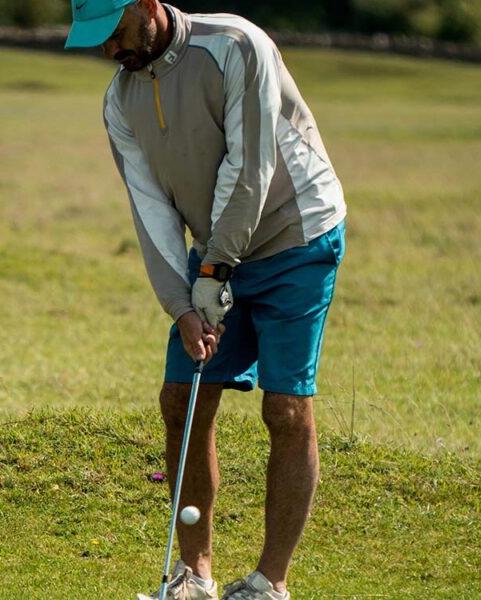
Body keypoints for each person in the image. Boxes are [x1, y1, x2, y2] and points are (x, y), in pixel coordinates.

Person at [65, 1, 346, 598]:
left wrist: (215, 268)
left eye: (115, 33)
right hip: (218, 248)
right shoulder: (119, 100)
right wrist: (183, 305)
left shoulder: (236, 45)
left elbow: (250, 167)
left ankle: (270, 583)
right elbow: (150, 209)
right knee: (182, 399)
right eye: (97, 40)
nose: (109, 51)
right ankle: (195, 577)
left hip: (296, 235)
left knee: (284, 408)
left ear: (146, 6)